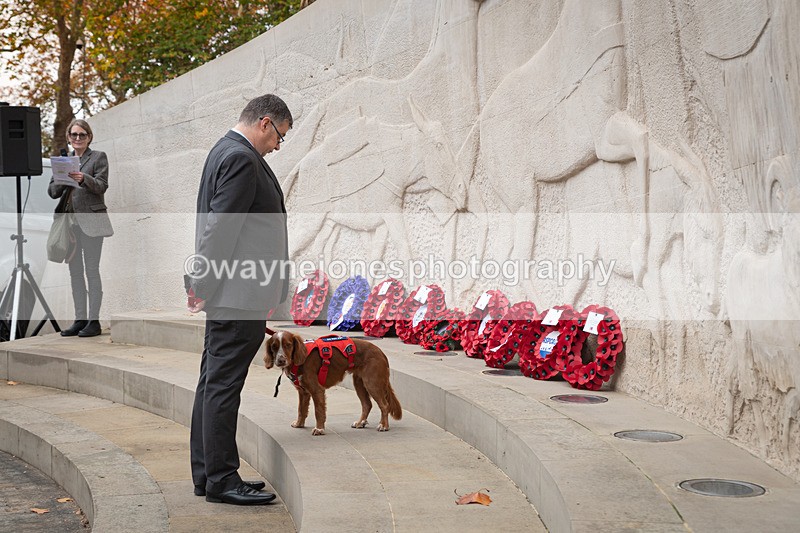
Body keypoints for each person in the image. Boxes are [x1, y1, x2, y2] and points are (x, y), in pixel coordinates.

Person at [187, 94, 291, 505]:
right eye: (280, 136)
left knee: (212, 384)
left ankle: (208, 476)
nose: (279, 146)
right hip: (238, 295)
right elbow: (220, 230)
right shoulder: (242, 158)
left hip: (232, 293)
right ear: (265, 123)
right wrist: (201, 286)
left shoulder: (223, 151)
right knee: (223, 387)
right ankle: (222, 480)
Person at [48, 119, 114, 338]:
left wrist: (83, 178)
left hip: (92, 222)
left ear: (89, 137)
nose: (78, 138)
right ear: (68, 137)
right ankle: (80, 320)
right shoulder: (63, 161)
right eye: (74, 135)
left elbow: (102, 185)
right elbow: (52, 192)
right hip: (70, 225)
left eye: (82, 135)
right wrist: (64, 179)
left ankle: (93, 322)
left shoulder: (98, 157)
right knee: (75, 273)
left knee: (92, 271)